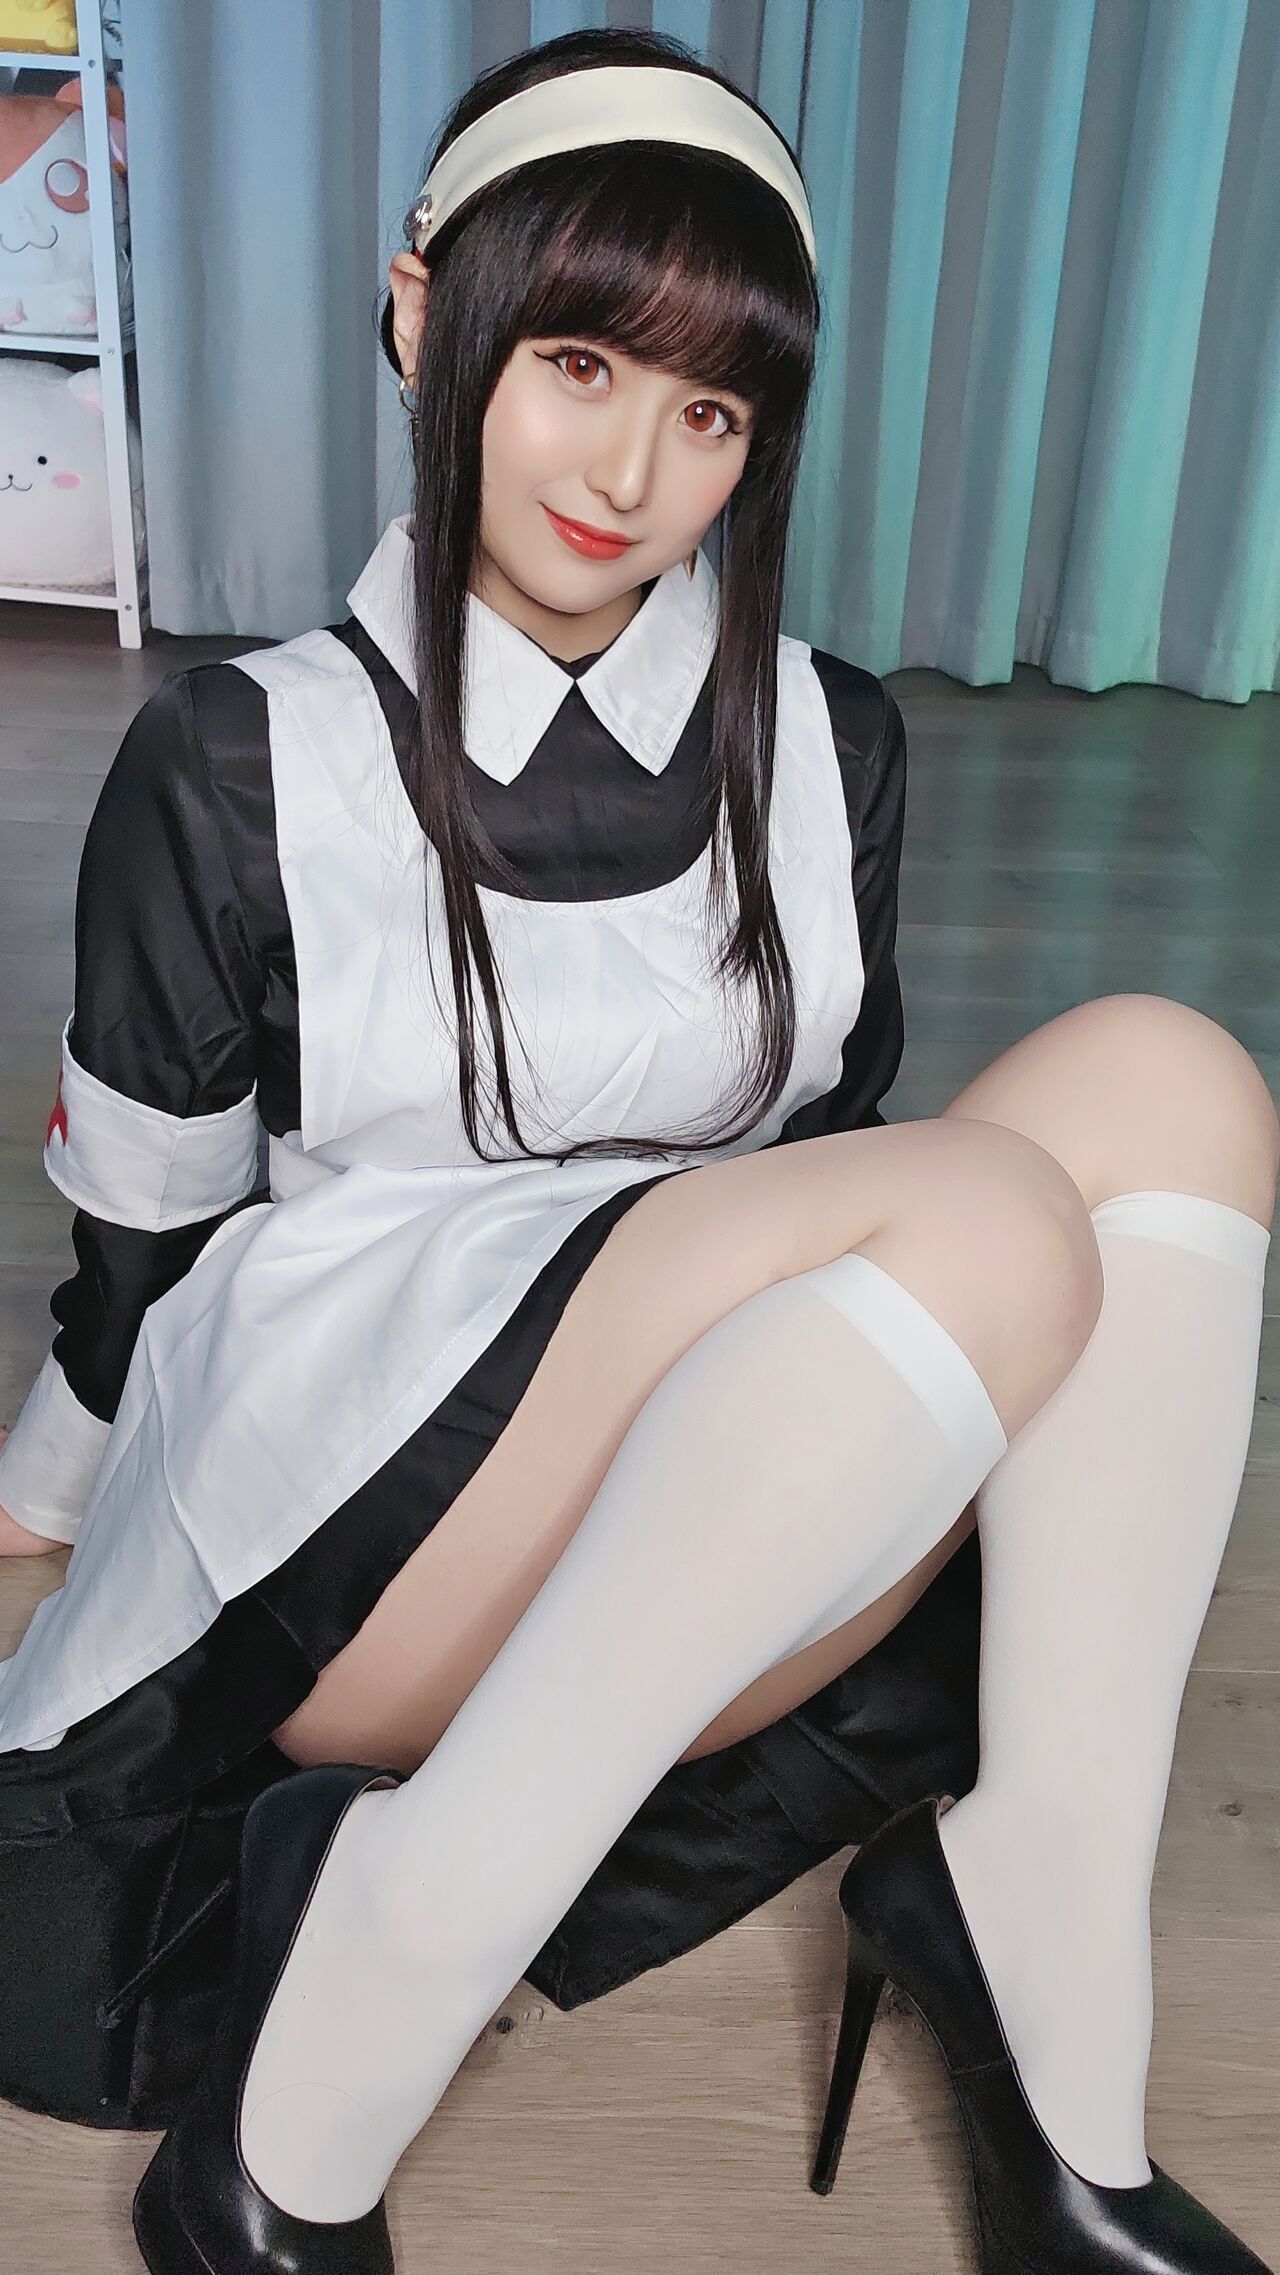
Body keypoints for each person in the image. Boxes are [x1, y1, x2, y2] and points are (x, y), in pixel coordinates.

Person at [0, 25, 1275, 2275]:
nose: (633, 470)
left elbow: (825, 1183)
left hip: (690, 1472)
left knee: (1179, 1077)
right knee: (985, 1211)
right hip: (351, 1511)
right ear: (427, 317)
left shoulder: (827, 736)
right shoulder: (240, 753)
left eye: (711, 413)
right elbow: (146, 1244)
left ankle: (1036, 1935)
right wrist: (50, 1492)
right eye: (580, 363)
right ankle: (366, 1977)